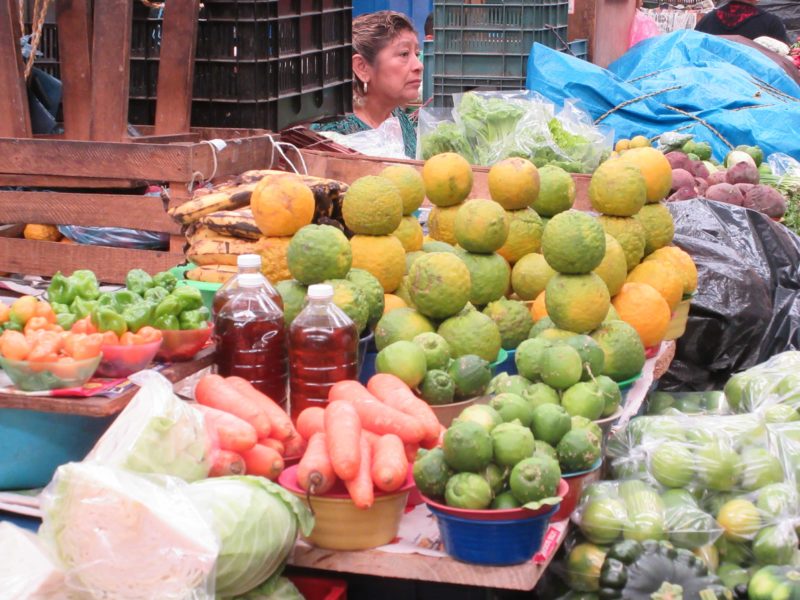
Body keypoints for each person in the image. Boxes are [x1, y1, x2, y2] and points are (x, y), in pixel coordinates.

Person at [312, 11, 423, 159]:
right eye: (404, 54)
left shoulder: (399, 119)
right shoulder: (331, 137)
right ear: (362, 67)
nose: (419, 65)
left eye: (416, 53)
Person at [695, 0, 790, 45]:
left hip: (712, 81)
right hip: (756, 83)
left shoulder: (707, 20)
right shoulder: (771, 22)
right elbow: (782, 59)